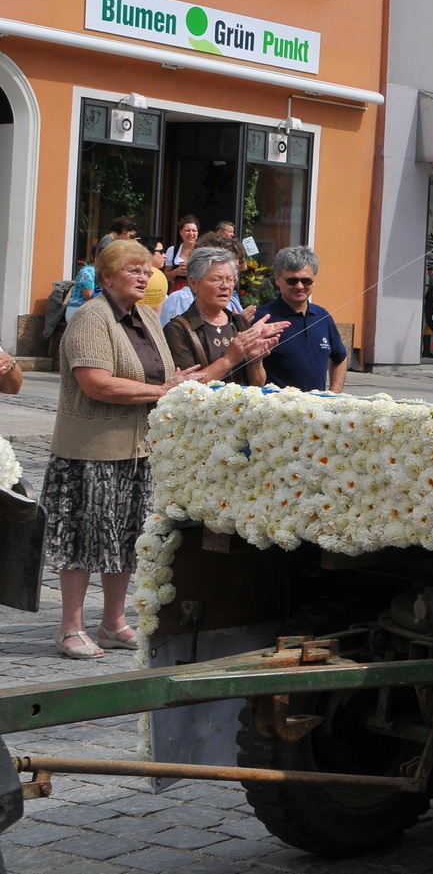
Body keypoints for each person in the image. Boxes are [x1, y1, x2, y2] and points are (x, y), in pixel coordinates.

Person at [45, 239, 280, 659]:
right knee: (83, 538)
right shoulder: (91, 318)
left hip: (139, 448)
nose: (142, 276)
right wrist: (162, 388)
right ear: (107, 277)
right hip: (90, 450)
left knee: (127, 538)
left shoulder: (148, 319)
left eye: (144, 270)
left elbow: (175, 380)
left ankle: (113, 622)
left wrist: (229, 362)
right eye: (131, 270)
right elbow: (96, 383)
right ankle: (70, 628)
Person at [163, 248, 275, 387]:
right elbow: (185, 388)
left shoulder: (238, 322)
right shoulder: (178, 329)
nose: (226, 286)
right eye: (217, 280)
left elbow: (257, 385)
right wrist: (228, 360)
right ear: (194, 283)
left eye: (230, 280)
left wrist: (254, 360)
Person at [259, 247, 348, 392]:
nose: (299, 286)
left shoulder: (322, 317)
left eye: (306, 281)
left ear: (313, 281)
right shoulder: (263, 318)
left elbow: (340, 357)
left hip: (315, 411)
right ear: (277, 280)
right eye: (292, 281)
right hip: (277, 410)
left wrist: (334, 394)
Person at [157, 233, 251, 325]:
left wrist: (241, 327)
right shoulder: (180, 300)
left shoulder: (232, 301)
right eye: (217, 278)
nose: (234, 276)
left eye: (235, 269)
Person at [164, 215, 199, 291]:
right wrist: (176, 272)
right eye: (187, 230)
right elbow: (166, 277)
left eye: (194, 230)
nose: (191, 233)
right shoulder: (173, 250)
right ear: (181, 232)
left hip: (197, 289)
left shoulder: (203, 250)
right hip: (178, 288)